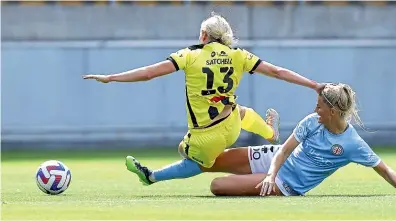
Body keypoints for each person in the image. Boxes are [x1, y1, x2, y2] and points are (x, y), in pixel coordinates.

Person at [83, 13, 324, 186]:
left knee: (190, 157)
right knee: (238, 110)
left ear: (203, 34)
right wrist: (314, 85)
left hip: (206, 134)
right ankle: (270, 133)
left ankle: (151, 176)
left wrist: (112, 77)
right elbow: (278, 72)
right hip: (231, 126)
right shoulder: (239, 55)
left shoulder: (190, 55)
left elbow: (148, 74)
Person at [201, 83, 396, 197]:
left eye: (319, 107)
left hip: (286, 184)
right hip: (275, 161)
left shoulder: (352, 144)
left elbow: (383, 168)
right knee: (206, 161)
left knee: (217, 185)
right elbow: (285, 151)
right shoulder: (311, 121)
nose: (315, 109)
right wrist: (270, 173)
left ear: (333, 111)